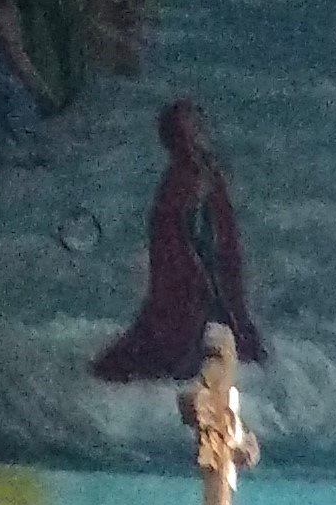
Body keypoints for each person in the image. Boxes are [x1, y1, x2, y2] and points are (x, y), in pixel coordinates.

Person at [90, 99, 267, 383]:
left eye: (199, 126)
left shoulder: (205, 172)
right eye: (194, 128)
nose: (202, 132)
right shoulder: (181, 179)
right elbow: (176, 232)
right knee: (184, 331)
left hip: (210, 265)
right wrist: (200, 269)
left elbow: (217, 227)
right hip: (190, 273)